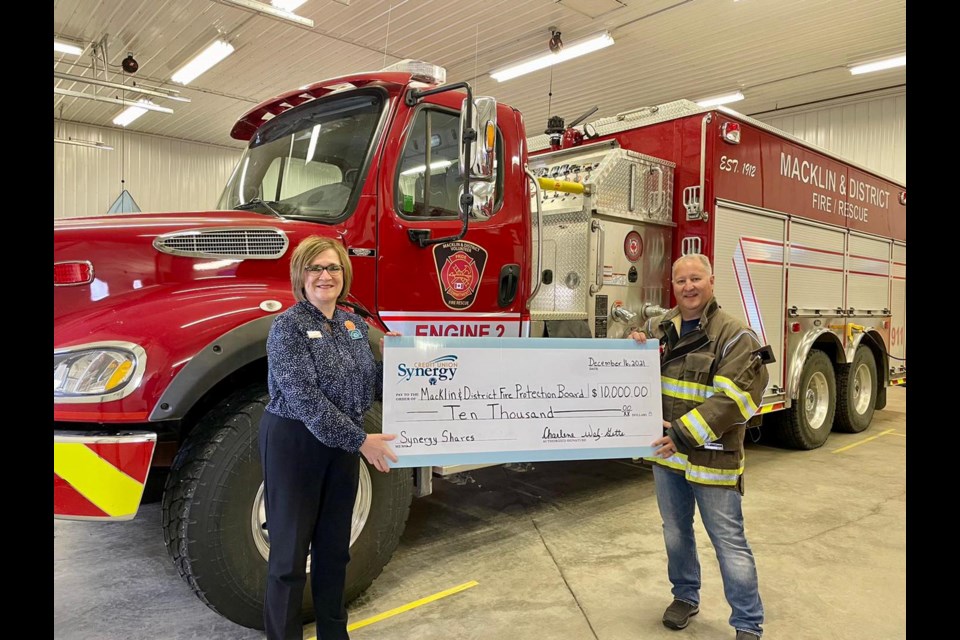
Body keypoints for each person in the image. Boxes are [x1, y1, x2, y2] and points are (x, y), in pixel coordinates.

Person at [259, 235, 399, 640]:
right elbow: (305, 398)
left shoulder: (353, 324)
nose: (325, 276)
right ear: (300, 276)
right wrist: (360, 441)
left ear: (344, 273)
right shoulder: (287, 327)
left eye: (333, 268)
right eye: (315, 268)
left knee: (334, 550)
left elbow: (367, 385)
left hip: (342, 444)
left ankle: (335, 634)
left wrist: (397, 364)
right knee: (287, 557)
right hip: (294, 442)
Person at [630, 253, 769, 640]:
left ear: (712, 282)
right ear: (671, 286)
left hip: (712, 460)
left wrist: (680, 435)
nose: (688, 287)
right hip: (668, 459)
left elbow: (735, 401)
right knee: (676, 532)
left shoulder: (736, 336)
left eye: (696, 279)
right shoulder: (659, 328)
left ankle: (747, 622)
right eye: (680, 281)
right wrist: (630, 348)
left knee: (728, 541)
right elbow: (631, 379)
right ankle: (685, 597)